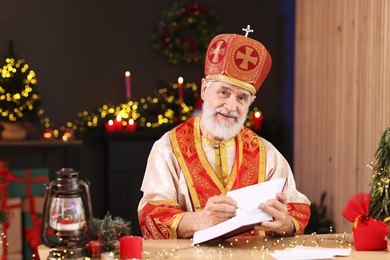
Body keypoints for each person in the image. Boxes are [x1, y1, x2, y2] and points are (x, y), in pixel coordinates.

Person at [138, 33, 311, 239]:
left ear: (250, 101)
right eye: (224, 92)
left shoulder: (267, 153)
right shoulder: (167, 148)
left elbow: (297, 208)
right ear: (204, 89)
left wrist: (286, 224)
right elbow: (151, 216)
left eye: (241, 97)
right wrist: (200, 220)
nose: (231, 106)